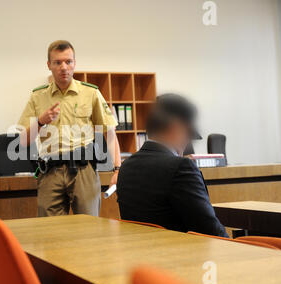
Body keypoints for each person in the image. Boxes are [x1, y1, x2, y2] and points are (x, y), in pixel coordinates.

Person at [18, 40, 121, 217]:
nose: (64, 67)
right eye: (57, 62)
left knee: (89, 228)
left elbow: (109, 134)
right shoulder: (37, 96)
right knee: (51, 233)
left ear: (74, 63)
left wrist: (118, 170)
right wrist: (41, 121)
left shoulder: (91, 93)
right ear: (49, 65)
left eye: (68, 61)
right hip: (50, 170)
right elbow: (22, 141)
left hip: (83, 170)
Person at [117, 94, 228, 237]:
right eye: (188, 135)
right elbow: (209, 229)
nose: (187, 143)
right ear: (176, 128)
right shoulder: (180, 167)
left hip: (140, 256)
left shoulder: (127, 166)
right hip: (181, 255)